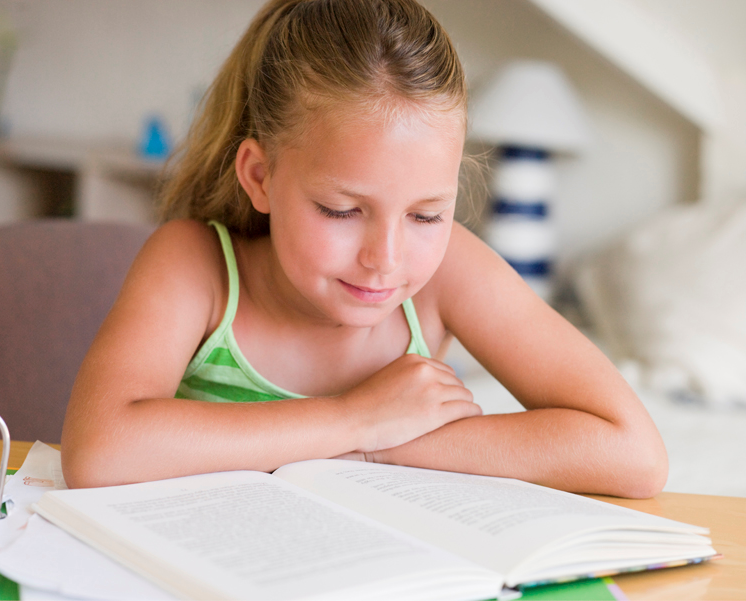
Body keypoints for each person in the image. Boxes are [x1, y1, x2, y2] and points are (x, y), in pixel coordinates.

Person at [61, 0, 668, 497]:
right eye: (343, 211)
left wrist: (381, 439)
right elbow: (98, 450)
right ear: (260, 176)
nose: (386, 257)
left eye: (427, 214)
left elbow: (632, 452)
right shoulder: (195, 266)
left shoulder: (448, 271)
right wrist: (354, 418)